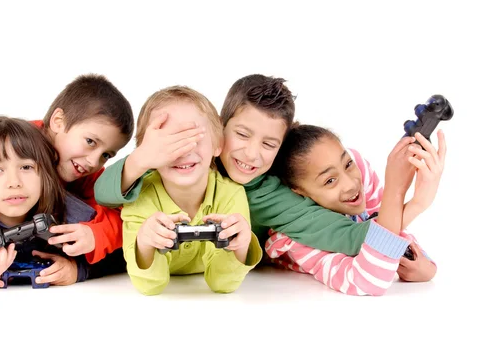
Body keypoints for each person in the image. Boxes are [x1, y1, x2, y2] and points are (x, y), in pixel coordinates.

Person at [94, 74, 412, 263]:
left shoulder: (269, 195)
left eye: (269, 144)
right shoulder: (186, 158)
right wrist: (143, 157)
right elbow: (104, 193)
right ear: (219, 128)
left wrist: (412, 199)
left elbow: (350, 238)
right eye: (242, 135)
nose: (252, 154)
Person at [0, 74, 140, 291]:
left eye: (107, 155)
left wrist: (89, 249)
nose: (94, 161)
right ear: (58, 122)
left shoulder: (82, 169)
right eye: (90, 141)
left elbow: (123, 218)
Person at [264, 124, 443, 295]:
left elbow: (393, 228)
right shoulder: (295, 242)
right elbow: (365, 281)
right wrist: (407, 198)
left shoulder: (361, 175)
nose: (351, 184)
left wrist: (426, 268)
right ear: (299, 192)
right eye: (329, 181)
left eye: (348, 164)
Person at [120, 86, 262, 295]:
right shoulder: (139, 196)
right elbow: (149, 287)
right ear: (148, 153)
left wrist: (241, 246)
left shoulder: (231, 194)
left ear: (218, 144)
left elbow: (223, 284)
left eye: (194, 138)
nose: (183, 152)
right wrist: (145, 243)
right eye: (169, 143)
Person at [0, 116, 120, 289]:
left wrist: (78, 270)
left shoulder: (75, 218)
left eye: (26, 167)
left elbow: (123, 256)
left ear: (46, 175)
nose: (14, 182)